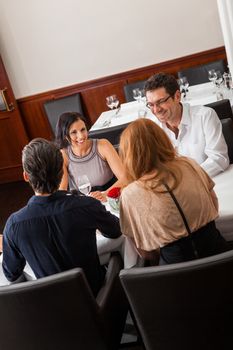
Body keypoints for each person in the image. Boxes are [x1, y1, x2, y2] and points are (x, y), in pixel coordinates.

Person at [2, 138, 122, 296]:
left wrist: (10, 243)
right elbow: (115, 230)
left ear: (26, 176)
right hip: (100, 300)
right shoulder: (86, 206)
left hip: (55, 313)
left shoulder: (14, 225)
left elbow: (11, 273)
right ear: (61, 170)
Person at [119, 118, 228, 265]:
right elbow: (214, 205)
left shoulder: (129, 194)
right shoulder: (189, 164)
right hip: (220, 258)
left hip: (175, 275)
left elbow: (145, 251)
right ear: (162, 139)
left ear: (129, 154)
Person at [144, 72, 229, 177]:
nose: (156, 110)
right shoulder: (152, 128)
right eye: (151, 105)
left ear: (177, 96)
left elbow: (219, 158)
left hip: (212, 181)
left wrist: (186, 179)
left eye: (161, 102)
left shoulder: (205, 116)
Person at [55, 112, 125, 201]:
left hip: (111, 198)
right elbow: (62, 191)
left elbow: (125, 178)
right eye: (74, 132)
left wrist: (105, 194)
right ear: (65, 136)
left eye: (83, 129)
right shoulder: (63, 155)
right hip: (84, 203)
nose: (81, 136)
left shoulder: (103, 145)